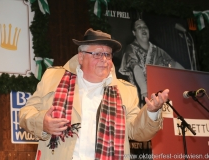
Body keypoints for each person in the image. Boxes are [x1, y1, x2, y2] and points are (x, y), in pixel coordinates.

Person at [19, 28, 169, 160]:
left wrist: (151, 113)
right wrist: (43, 123)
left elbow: (136, 132)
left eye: (108, 55)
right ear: (81, 57)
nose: (104, 60)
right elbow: (26, 113)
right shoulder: (53, 78)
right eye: (97, 54)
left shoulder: (125, 90)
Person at [119, 19, 183, 107]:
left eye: (145, 27)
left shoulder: (157, 50)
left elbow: (175, 65)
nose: (143, 29)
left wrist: (191, 78)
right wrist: (145, 90)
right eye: (139, 27)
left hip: (159, 94)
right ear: (134, 33)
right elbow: (136, 68)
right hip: (140, 96)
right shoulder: (131, 49)